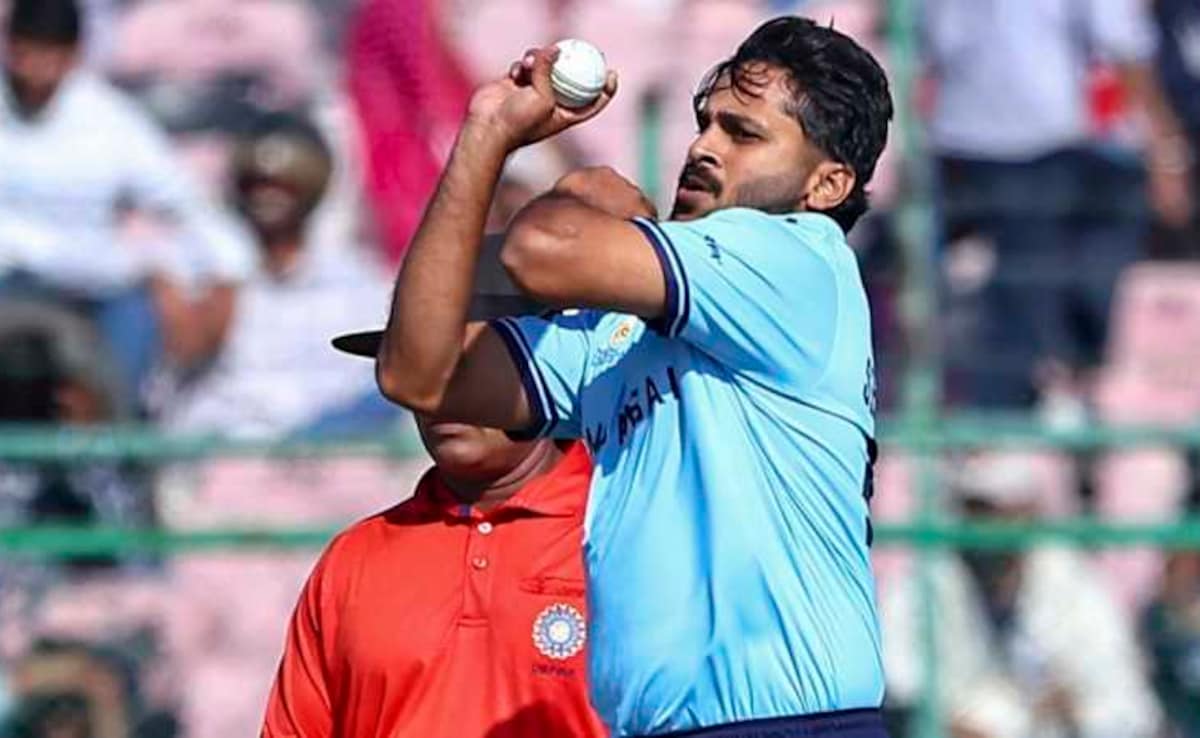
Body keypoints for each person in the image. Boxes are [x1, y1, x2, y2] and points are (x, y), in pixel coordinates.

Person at [372, 15, 893, 737]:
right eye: (705, 124)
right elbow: (416, 371)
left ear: (827, 184)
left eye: (743, 134)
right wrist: (484, 135)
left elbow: (543, 251)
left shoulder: (796, 257)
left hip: (788, 723)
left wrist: (592, 195)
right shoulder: (621, 332)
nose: (703, 148)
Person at [260, 419, 604, 738]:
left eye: (467, 370)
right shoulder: (353, 557)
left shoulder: (627, 540)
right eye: (418, 371)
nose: (439, 392)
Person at [923, 0, 1192, 408]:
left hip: (962, 140)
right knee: (1025, 296)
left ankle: (1029, 408)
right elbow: (1122, 41)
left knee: (1005, 293)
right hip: (1031, 143)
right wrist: (1165, 149)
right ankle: (1014, 417)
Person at [0, 0, 253, 406]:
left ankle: (118, 450)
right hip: (10, 287)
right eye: (26, 53)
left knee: (137, 332)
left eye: (50, 55)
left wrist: (223, 276)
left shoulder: (109, 122)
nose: (35, 71)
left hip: (94, 292)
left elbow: (191, 207)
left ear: (74, 56)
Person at [881, 454, 1161, 738]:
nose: (988, 527)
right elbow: (902, 691)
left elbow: (1124, 699)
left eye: (1000, 512)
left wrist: (1071, 706)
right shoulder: (929, 579)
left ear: (1027, 513)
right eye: (978, 511)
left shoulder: (1068, 578)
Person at [157, 113, 394, 439]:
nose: (267, 197)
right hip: (222, 455)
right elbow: (179, 361)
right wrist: (225, 279)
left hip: (326, 461)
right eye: (256, 184)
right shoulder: (200, 272)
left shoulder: (358, 283)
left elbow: (381, 389)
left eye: (284, 186)